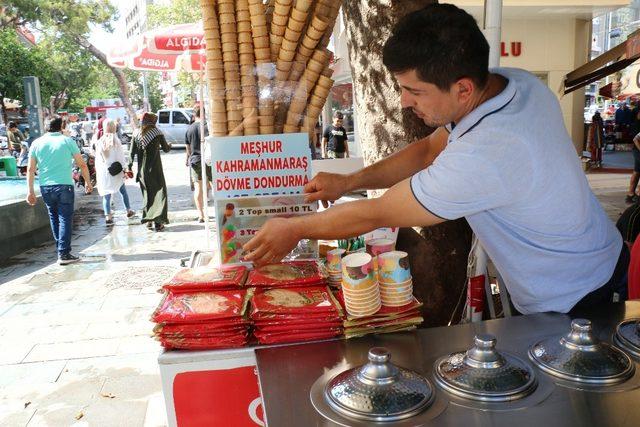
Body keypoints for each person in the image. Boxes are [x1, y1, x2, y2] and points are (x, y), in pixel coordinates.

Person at [243, 4, 625, 316]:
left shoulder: (487, 153)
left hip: (578, 296)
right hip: (592, 262)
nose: (405, 102)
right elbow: (427, 150)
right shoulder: (516, 84)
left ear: (462, 89)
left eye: (414, 91)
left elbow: (377, 212)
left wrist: (295, 228)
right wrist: (347, 182)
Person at [26, 116, 92, 265]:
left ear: (46, 127)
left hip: (45, 187)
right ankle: (64, 253)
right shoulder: (67, 141)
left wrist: (30, 191)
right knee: (64, 219)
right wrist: (88, 182)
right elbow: (82, 164)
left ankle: (61, 251)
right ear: (61, 126)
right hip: (64, 186)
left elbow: (30, 169)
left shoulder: (37, 143)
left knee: (54, 218)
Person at [127, 112, 171, 231]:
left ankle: (148, 221)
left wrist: (129, 167)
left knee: (147, 195)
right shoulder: (157, 133)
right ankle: (158, 222)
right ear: (153, 121)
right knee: (159, 194)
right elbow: (166, 149)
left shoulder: (136, 133)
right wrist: (170, 145)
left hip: (142, 171)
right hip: (155, 169)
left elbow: (131, 153)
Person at [94, 119, 135, 225]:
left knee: (106, 195)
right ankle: (128, 210)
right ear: (114, 127)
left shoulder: (100, 141)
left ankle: (108, 216)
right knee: (123, 191)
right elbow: (121, 157)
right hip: (116, 172)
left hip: (105, 172)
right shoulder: (116, 140)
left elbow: (98, 160)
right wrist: (125, 169)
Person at [185, 105, 211, 223]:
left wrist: (187, 159)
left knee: (198, 188)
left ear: (194, 115)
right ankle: (219, 210)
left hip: (195, 161)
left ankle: (201, 215)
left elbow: (188, 149)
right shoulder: (207, 127)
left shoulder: (189, 129)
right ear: (204, 114)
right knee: (214, 185)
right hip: (209, 160)